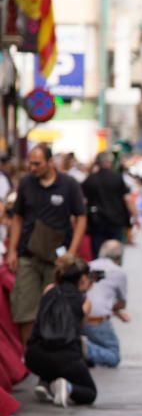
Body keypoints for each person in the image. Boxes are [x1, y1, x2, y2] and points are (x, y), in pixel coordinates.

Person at [7, 145, 87, 345]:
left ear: (50, 162)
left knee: (54, 307)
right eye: (30, 163)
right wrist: (12, 251)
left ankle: (52, 356)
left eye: (37, 164)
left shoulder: (68, 185)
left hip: (57, 259)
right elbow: (17, 217)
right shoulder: (26, 184)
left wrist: (71, 252)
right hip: (28, 255)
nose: (32, 168)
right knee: (25, 309)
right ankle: (30, 356)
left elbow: (81, 218)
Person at [24, 255, 96, 407]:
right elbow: (79, 330)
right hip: (66, 359)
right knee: (90, 392)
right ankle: (67, 387)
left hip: (34, 356)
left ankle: (45, 383)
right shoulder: (85, 302)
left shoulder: (49, 290)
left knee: (49, 354)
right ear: (83, 278)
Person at [83, 240, 129, 368]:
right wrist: (116, 310)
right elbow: (122, 303)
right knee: (114, 357)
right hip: (99, 321)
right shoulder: (118, 272)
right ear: (120, 257)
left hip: (81, 318)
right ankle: (85, 349)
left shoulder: (87, 266)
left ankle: (85, 350)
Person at [82, 152, 135, 258]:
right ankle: (114, 270)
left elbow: (83, 201)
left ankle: (99, 271)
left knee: (97, 251)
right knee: (115, 251)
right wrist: (135, 215)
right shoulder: (117, 178)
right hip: (115, 220)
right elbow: (127, 199)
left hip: (97, 221)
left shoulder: (91, 179)